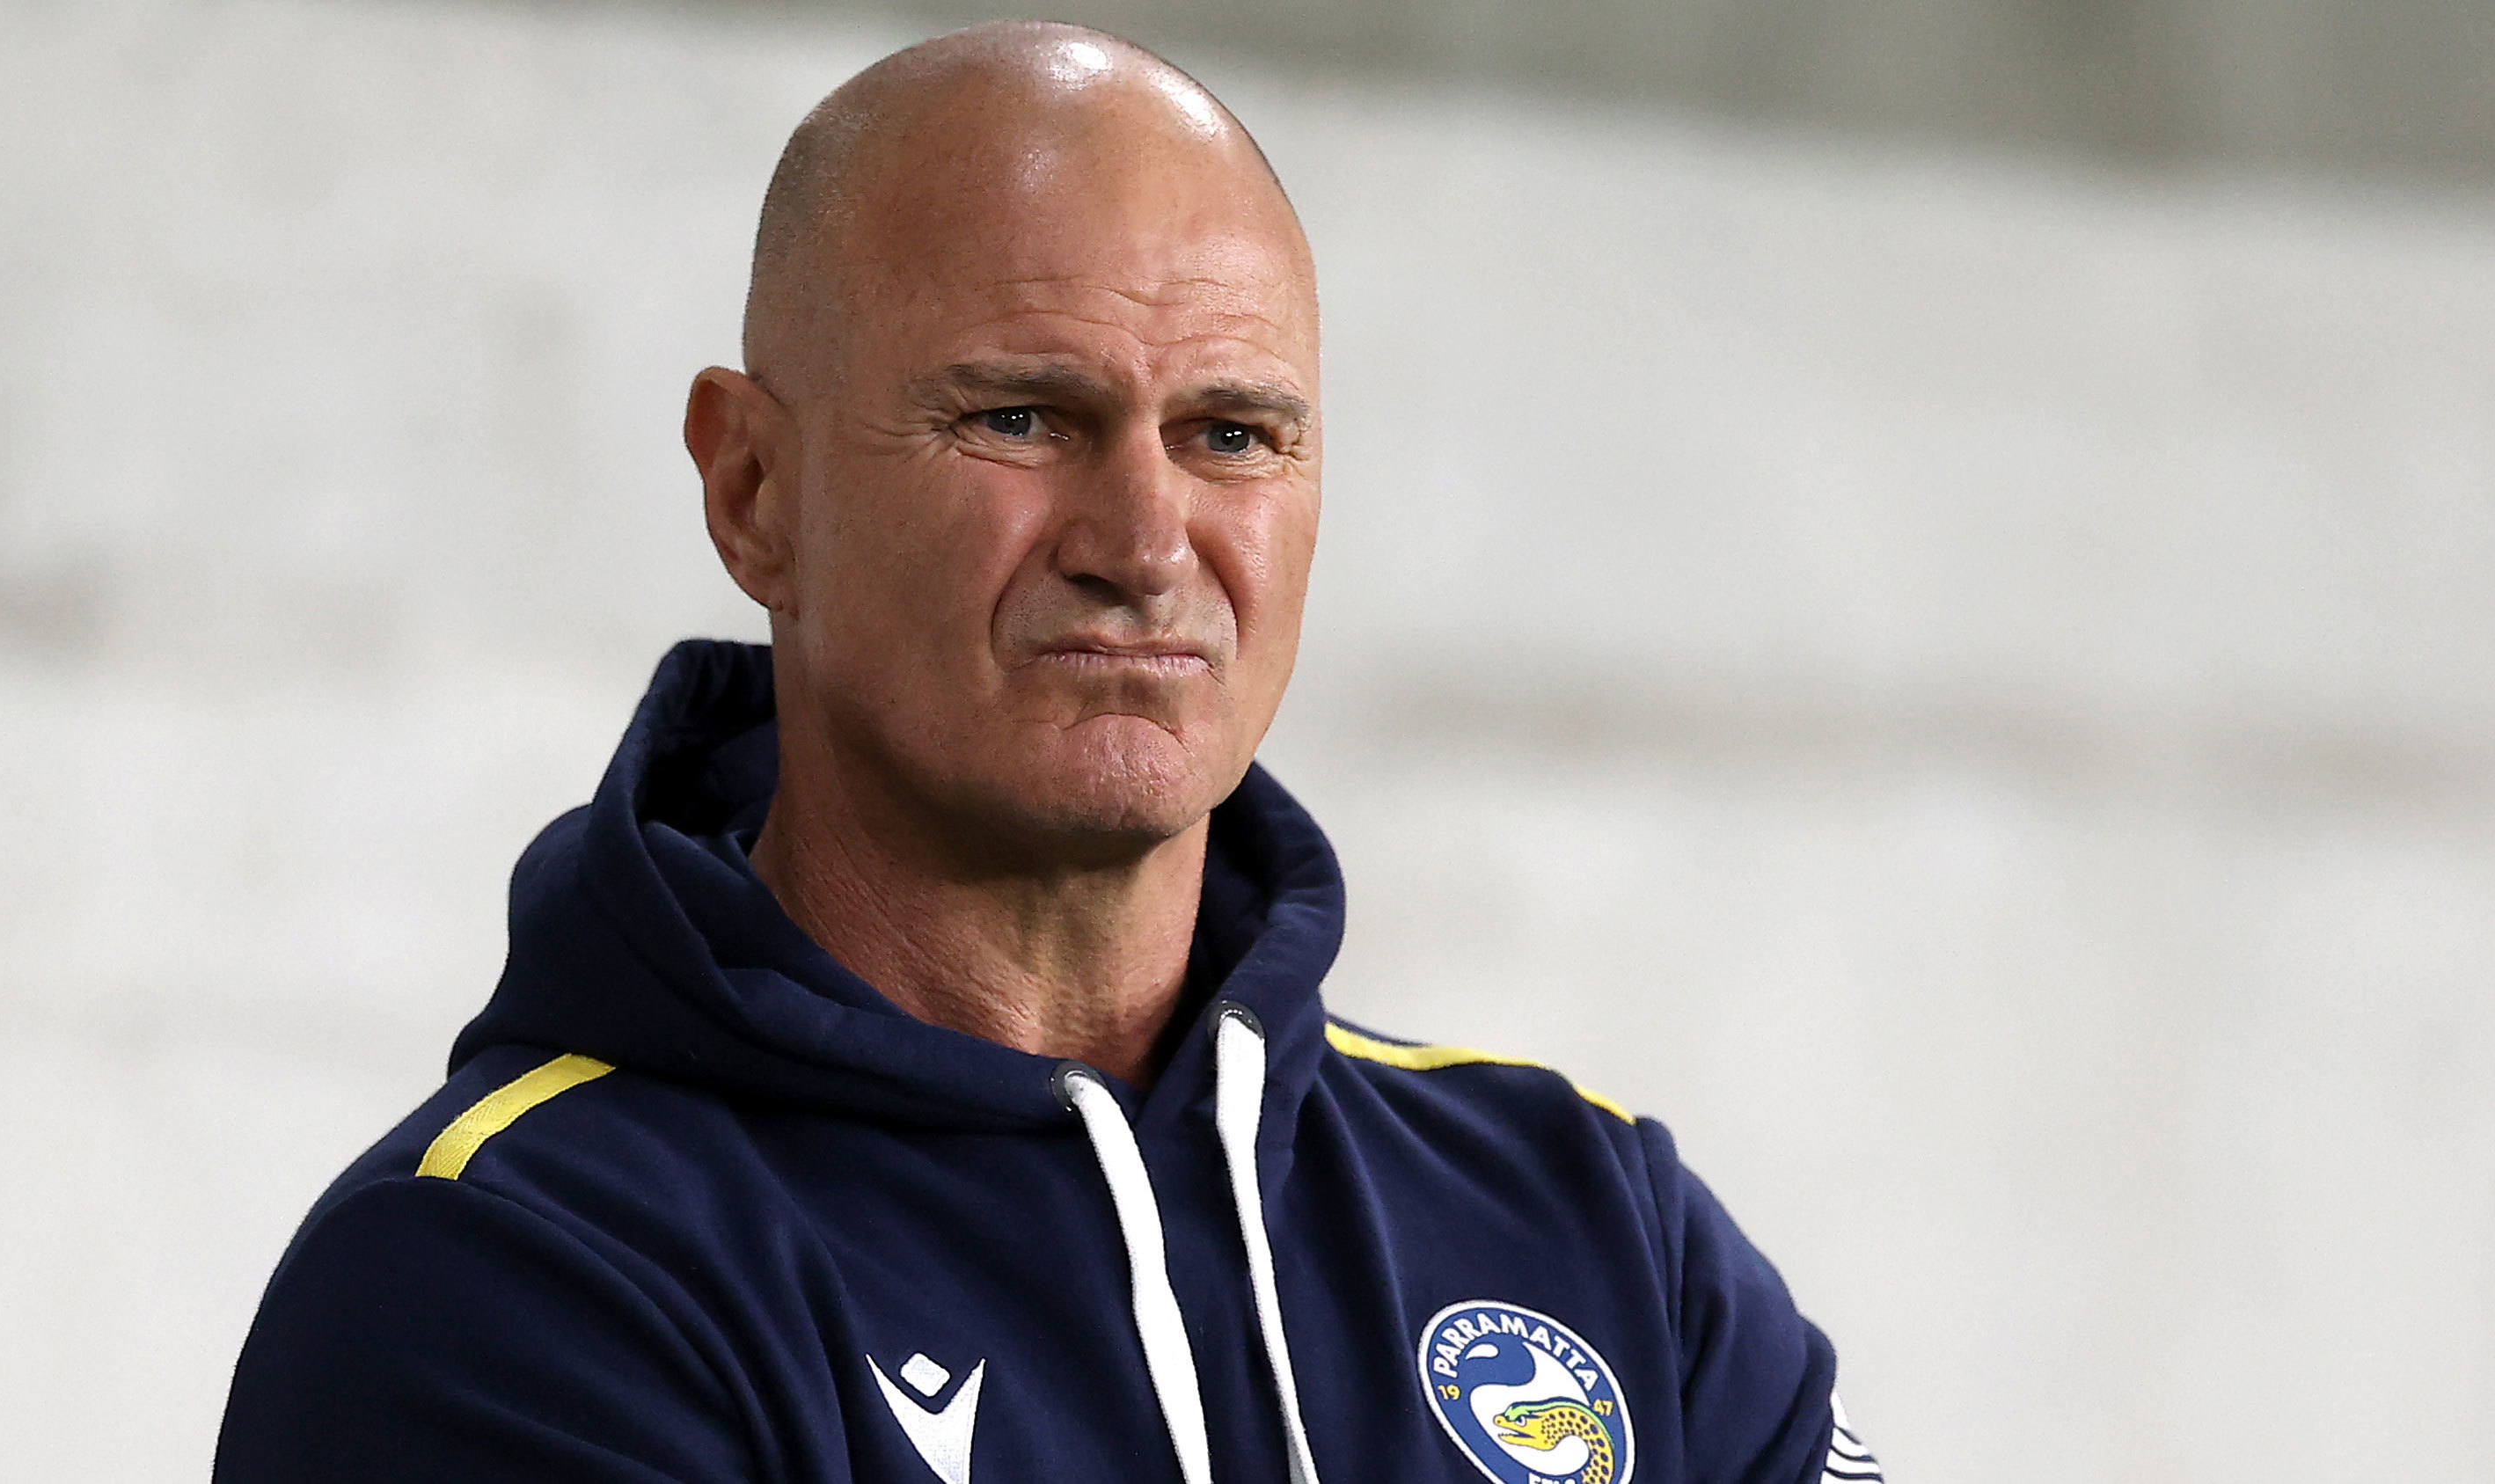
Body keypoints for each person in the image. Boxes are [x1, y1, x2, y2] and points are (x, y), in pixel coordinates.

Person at [215, 22, 1880, 1484]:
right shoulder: (508, 1279)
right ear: (754, 493)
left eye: (1232, 436)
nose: (1147, 539)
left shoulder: (1597, 1232)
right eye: (1021, 418)